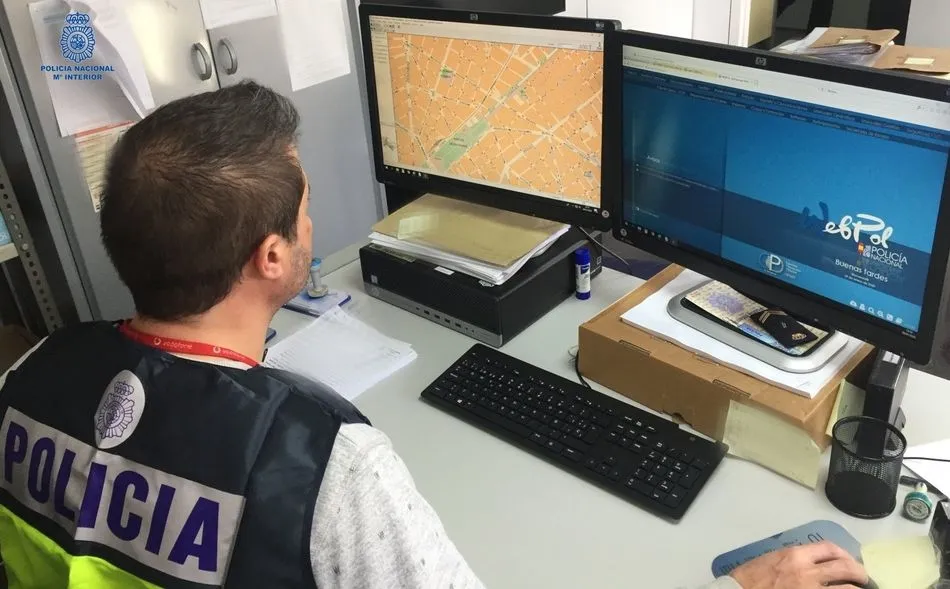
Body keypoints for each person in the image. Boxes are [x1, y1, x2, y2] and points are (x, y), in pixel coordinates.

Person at [0, 82, 868, 589]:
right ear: (271, 256)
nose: (314, 222)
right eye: (304, 210)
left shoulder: (31, 376)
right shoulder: (322, 464)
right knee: (810, 556)